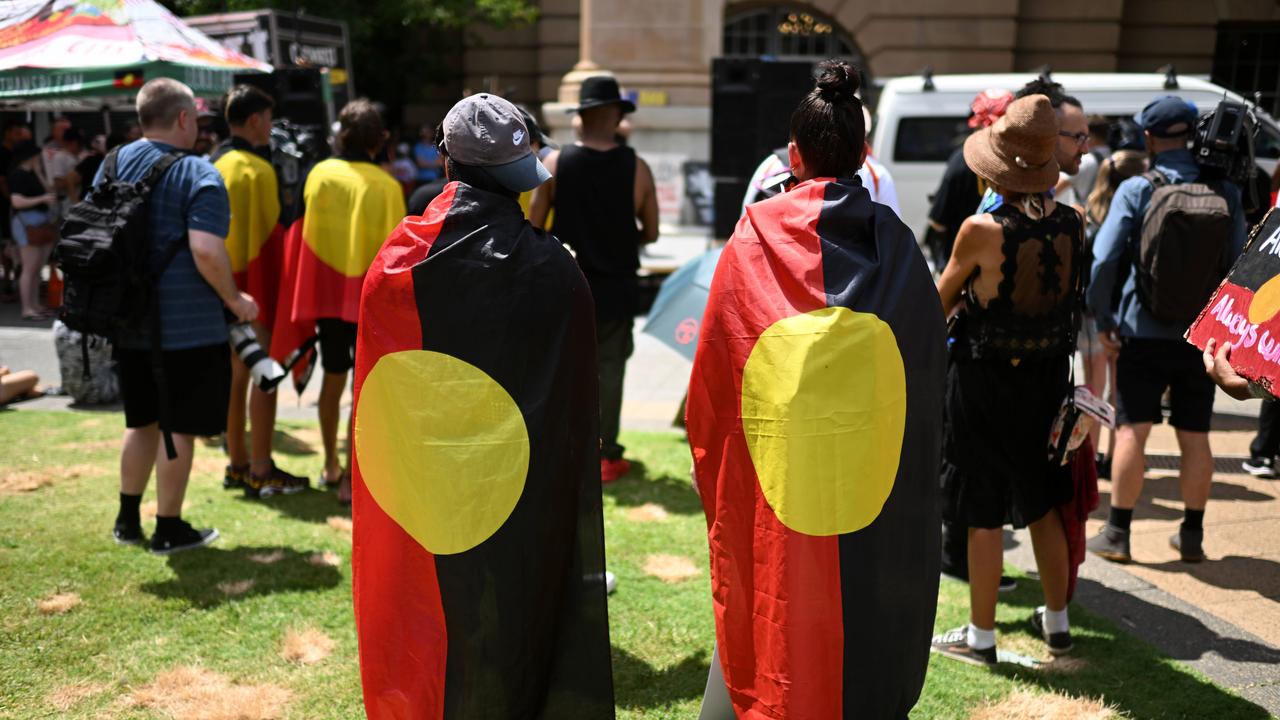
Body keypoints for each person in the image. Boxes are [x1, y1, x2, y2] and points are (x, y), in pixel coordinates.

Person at [687, 60, 944, 718]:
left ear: (792, 155)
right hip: (870, 470)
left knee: (777, 594)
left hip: (780, 469)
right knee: (856, 605)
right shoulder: (899, 244)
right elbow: (924, 370)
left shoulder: (752, 237)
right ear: (865, 152)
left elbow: (716, 377)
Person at [352, 91, 614, 719]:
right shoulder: (554, 267)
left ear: (445, 162)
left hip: (427, 486)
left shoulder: (397, 262)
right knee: (512, 621)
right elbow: (577, 403)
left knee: (443, 616)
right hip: (515, 487)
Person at [930, 94, 1083, 666]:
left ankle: (981, 637)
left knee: (983, 507)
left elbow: (938, 301)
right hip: (1046, 381)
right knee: (1043, 503)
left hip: (984, 382)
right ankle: (1059, 622)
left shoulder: (981, 228)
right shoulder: (1074, 221)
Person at [1087, 96, 1247, 565]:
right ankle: (1192, 535)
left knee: (1133, 429)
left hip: (1141, 329)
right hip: (1202, 337)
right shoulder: (1226, 191)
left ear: (1151, 139)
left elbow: (1103, 260)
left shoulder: (1137, 188)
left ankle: (1117, 534)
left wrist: (1105, 316)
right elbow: (1238, 266)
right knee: (1195, 434)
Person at [102, 77, 258, 554]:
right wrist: (236, 301)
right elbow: (207, 250)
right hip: (185, 328)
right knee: (178, 429)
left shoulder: (112, 162)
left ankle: (128, 521)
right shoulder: (199, 173)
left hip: (127, 320)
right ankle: (168, 527)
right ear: (185, 119)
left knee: (141, 422)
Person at [271, 99, 405, 505]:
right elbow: (395, 253)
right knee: (363, 388)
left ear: (340, 134)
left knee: (332, 377)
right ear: (379, 139)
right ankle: (351, 477)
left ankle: (330, 463)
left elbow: (299, 233)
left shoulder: (320, 175)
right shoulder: (388, 187)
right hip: (369, 300)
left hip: (327, 296)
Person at [529, 75, 659, 482]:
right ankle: (606, 453)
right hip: (618, 287)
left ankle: (565, 444)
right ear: (618, 117)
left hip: (567, 286)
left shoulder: (553, 164)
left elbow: (534, 225)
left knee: (565, 367)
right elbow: (651, 232)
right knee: (611, 370)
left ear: (581, 118)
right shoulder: (637, 167)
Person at [213, 84, 307, 499]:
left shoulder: (213, 164)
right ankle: (262, 467)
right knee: (264, 376)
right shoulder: (258, 170)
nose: (272, 127)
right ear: (255, 120)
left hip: (220, 286)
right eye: (268, 119)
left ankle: (236, 462)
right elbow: (268, 241)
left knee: (235, 377)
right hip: (254, 291)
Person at [1081, 130, 1148, 476]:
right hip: (1120, 312)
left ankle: (1088, 457)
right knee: (1117, 389)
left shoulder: (1091, 213)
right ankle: (1109, 458)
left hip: (1090, 310)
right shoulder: (1135, 215)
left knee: (1093, 387)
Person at [924, 89, 1014, 268]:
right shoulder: (1021, 160)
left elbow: (938, 222)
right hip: (1009, 263)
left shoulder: (961, 159)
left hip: (962, 266)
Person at [8, 140, 57, 321]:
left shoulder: (33, 173)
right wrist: (41, 199)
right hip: (27, 222)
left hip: (40, 222)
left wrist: (38, 172)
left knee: (36, 268)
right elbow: (16, 201)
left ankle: (35, 304)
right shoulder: (18, 175)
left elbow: (48, 190)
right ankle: (27, 308)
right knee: (30, 267)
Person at [1071, 115, 1112, 207]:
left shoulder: (1085, 160)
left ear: (1091, 136)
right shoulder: (1114, 157)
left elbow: (1056, 188)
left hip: (1086, 216)